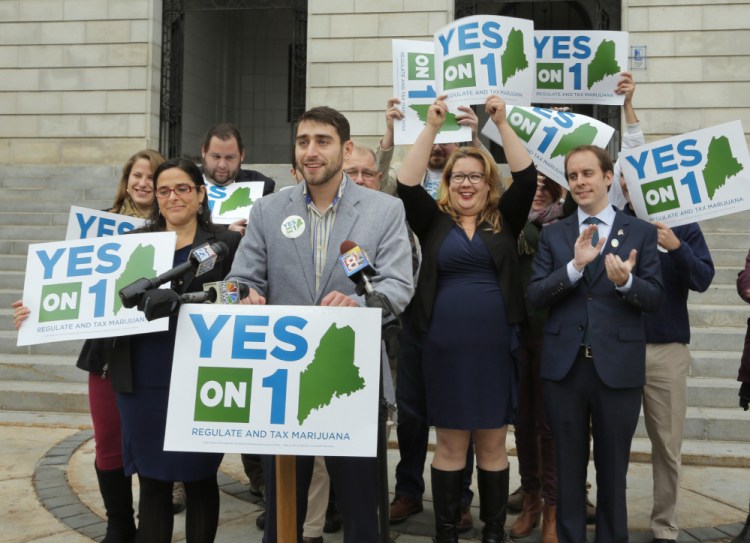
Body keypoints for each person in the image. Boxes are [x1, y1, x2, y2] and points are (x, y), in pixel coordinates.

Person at [226, 105, 414, 543]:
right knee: (284, 510)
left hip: (352, 376)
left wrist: (357, 302)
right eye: (303, 141)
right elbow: (238, 280)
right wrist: (245, 295)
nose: (311, 151)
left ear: (345, 149)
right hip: (283, 380)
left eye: (322, 141)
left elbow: (399, 287)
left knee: (361, 509)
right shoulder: (268, 210)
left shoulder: (384, 210)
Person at [397, 94, 536, 543]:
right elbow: (405, 182)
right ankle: (446, 533)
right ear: (448, 182)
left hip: (495, 350)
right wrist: (432, 127)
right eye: (459, 176)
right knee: (452, 444)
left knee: (493, 444)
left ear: (488, 182)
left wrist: (501, 121)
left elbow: (528, 177)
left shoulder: (504, 221)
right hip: (443, 350)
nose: (467, 183)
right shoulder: (433, 222)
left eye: (476, 176)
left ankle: (492, 532)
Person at [12, 149, 166, 543]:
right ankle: (119, 522)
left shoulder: (174, 228)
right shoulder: (95, 227)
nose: (143, 183)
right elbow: (65, 285)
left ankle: (152, 521)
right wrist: (35, 309)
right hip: (106, 355)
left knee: (151, 445)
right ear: (126, 179)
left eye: (152, 176)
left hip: (154, 353)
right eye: (137, 175)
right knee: (108, 441)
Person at [528, 145, 663, 543]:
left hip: (616, 368)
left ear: (608, 177)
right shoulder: (553, 234)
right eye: (572, 176)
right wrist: (574, 267)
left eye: (588, 173)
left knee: (613, 469)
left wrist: (626, 282)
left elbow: (654, 298)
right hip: (564, 370)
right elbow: (535, 296)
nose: (580, 182)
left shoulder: (640, 231)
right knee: (568, 469)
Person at [113, 158, 241, 542]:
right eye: (163, 190)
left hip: (204, 376)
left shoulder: (227, 243)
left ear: (201, 194)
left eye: (182, 188)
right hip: (142, 376)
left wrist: (190, 299)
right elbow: (96, 300)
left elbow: (242, 293)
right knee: (151, 480)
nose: (173, 197)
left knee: (200, 476)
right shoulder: (132, 245)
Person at [378, 99, 479, 532]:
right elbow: (381, 183)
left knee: (463, 412)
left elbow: (499, 184)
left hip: (461, 319)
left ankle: (459, 498)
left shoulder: (470, 187)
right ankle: (407, 490)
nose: (440, 147)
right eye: (436, 141)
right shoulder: (409, 186)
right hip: (415, 315)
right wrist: (392, 133)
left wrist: (477, 139)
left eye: (449, 140)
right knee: (414, 411)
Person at [512, 173, 566, 543]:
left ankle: (552, 509)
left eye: (546, 185)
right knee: (523, 423)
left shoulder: (565, 222)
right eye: (534, 185)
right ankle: (529, 499)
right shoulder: (512, 222)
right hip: (517, 332)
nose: (538, 191)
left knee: (550, 427)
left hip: (553, 334)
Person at [200, 122, 276, 236]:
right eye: (216, 157)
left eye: (229, 157)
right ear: (204, 152)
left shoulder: (261, 186)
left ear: (242, 155)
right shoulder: (185, 182)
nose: (222, 165)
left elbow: (269, 234)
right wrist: (226, 235)